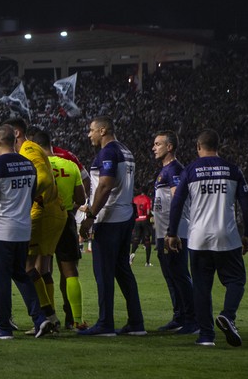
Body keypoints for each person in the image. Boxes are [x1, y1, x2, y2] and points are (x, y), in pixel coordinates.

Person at [166, 129, 248, 347]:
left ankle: (206, 337)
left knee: (201, 288)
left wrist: (172, 233)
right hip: (227, 236)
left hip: (198, 238)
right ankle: (228, 315)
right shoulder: (233, 170)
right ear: (219, 146)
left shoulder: (190, 170)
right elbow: (247, 205)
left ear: (198, 147)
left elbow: (177, 203)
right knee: (236, 280)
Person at [0, 124, 55, 339]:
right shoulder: (28, 165)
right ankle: (40, 318)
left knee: (0, 280)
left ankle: (4, 328)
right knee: (21, 274)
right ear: (14, 141)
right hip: (23, 230)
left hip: (1, 231)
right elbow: (32, 193)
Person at [78, 115, 145, 336]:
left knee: (103, 272)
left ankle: (105, 324)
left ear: (103, 130)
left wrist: (90, 216)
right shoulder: (126, 151)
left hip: (109, 219)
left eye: (92, 130)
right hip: (125, 216)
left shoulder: (108, 152)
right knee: (123, 271)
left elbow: (105, 186)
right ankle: (136, 323)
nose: (89, 134)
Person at [3, 118, 63, 331]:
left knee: (25, 266)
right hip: (52, 211)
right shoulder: (30, 150)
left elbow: (45, 178)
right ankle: (52, 319)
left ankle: (46, 316)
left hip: (42, 212)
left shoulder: (28, 149)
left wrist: (27, 199)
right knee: (41, 268)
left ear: (16, 133)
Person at [32, 130, 87, 330]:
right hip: (66, 220)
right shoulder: (70, 165)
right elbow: (81, 199)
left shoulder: (36, 166)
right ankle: (76, 319)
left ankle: (50, 317)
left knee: (41, 269)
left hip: (42, 221)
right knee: (70, 271)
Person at [151, 130, 196, 334]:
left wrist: (173, 232)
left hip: (174, 233)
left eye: (158, 144)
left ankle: (192, 320)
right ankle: (179, 317)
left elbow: (177, 200)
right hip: (164, 232)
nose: (154, 147)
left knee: (179, 275)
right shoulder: (165, 171)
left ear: (169, 147)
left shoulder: (175, 170)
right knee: (171, 276)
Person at [130, 187, 153, 266]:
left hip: (137, 220)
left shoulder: (135, 199)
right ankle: (147, 262)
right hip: (145, 220)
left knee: (136, 239)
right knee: (147, 240)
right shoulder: (147, 199)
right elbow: (148, 211)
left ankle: (132, 255)